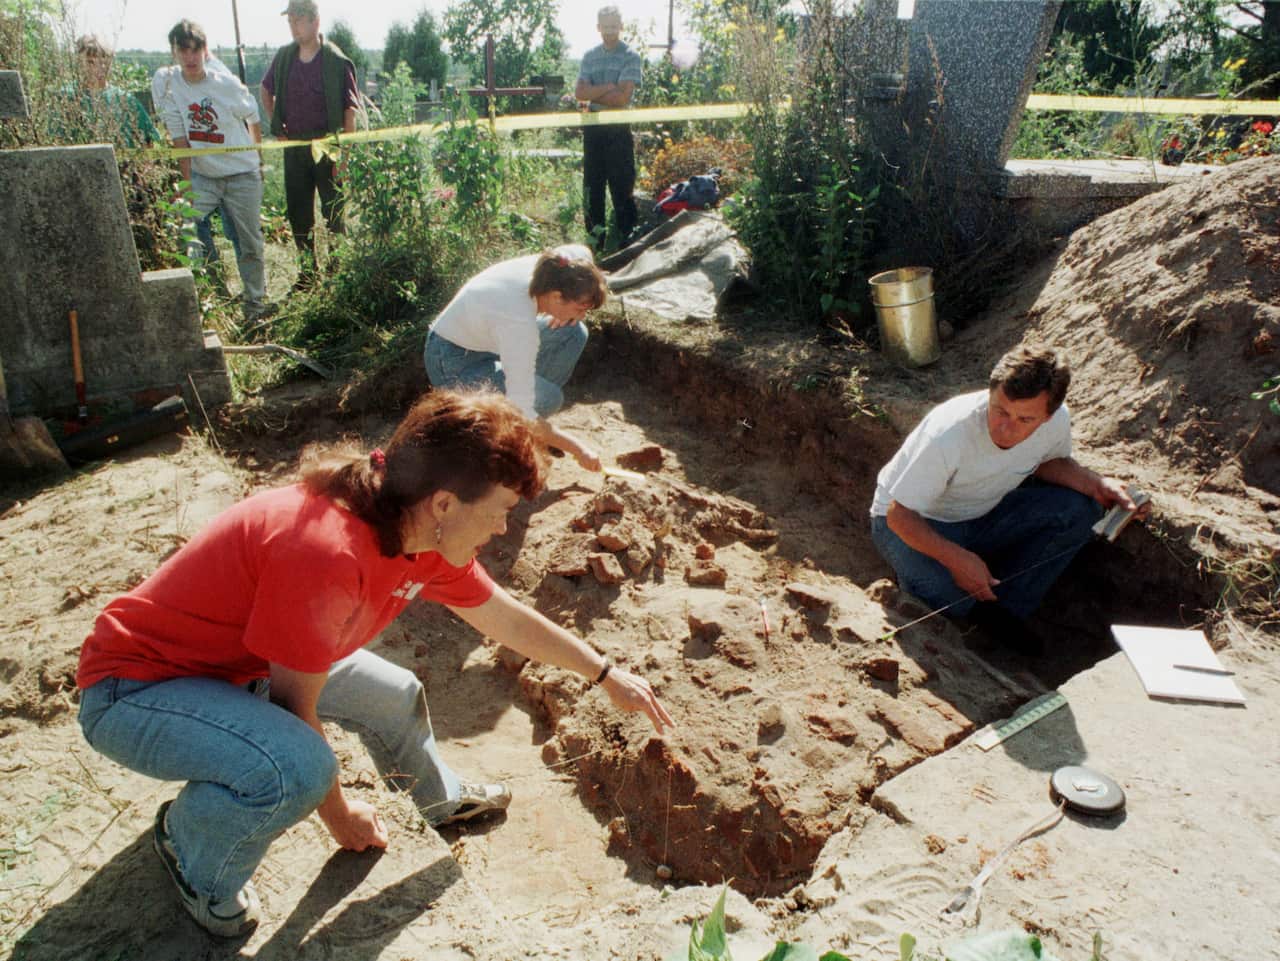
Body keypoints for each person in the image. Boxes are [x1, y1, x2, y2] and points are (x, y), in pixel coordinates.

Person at [75, 389, 674, 938]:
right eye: (500, 510)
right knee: (297, 770)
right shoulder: (327, 553)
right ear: (443, 501)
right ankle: (190, 851)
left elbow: (503, 617)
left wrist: (604, 673)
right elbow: (293, 707)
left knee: (394, 692)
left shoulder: (419, 533)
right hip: (136, 691)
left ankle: (442, 799)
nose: (502, 528)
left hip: (236, 668)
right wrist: (341, 818)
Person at [869, 345, 1146, 648]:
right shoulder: (950, 433)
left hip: (983, 512)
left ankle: (1006, 611)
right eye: (999, 410)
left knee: (1079, 509)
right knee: (950, 598)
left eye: (1024, 420)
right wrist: (958, 560)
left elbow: (1047, 461)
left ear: (1048, 414)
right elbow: (899, 515)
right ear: (991, 392)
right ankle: (966, 610)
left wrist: (1097, 485)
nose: (1006, 428)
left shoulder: (1056, 421)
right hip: (911, 522)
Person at [424, 246, 606, 472]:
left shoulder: (555, 268)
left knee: (573, 332)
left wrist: (572, 309)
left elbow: (582, 250)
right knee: (548, 398)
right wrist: (578, 449)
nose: (581, 315)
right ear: (557, 297)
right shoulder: (518, 323)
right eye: (580, 308)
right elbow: (522, 407)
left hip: (483, 340)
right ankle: (510, 434)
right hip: (451, 359)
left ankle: (525, 429)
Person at [156, 20, 268, 323]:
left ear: (205, 51)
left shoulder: (225, 84)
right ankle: (212, 300)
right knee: (186, 228)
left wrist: (258, 161)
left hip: (241, 174)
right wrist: (187, 187)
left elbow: (254, 117)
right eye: (183, 51)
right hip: (204, 176)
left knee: (249, 242)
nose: (190, 58)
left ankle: (256, 306)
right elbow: (180, 139)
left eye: (196, 50)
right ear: (175, 52)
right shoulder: (168, 85)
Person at [260, 0, 359, 288]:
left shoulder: (336, 61)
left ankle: (337, 272)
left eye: (298, 20)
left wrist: (344, 158)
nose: (293, 26)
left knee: (334, 212)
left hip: (328, 145)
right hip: (295, 148)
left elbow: (349, 112)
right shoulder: (283, 57)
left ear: (315, 21)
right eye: (289, 20)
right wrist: (277, 125)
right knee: (298, 213)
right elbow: (265, 91)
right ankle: (307, 274)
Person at [151, 53, 241, 276]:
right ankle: (214, 282)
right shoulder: (165, 80)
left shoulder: (218, 72)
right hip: (195, 163)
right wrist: (187, 182)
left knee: (237, 227)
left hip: (228, 161)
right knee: (198, 224)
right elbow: (178, 136)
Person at [574, 5, 642, 250]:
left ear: (621, 27)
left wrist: (595, 93)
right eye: (606, 26)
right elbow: (579, 93)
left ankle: (628, 245)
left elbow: (622, 99)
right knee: (593, 189)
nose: (610, 31)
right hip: (593, 129)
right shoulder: (589, 56)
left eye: (614, 26)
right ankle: (594, 247)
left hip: (617, 129)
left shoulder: (631, 57)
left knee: (622, 188)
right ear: (598, 28)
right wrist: (608, 87)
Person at [75, 35, 160, 148]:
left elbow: (148, 143)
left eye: (104, 61)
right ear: (79, 62)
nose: (98, 68)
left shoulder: (126, 101)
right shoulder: (67, 98)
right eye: (90, 62)